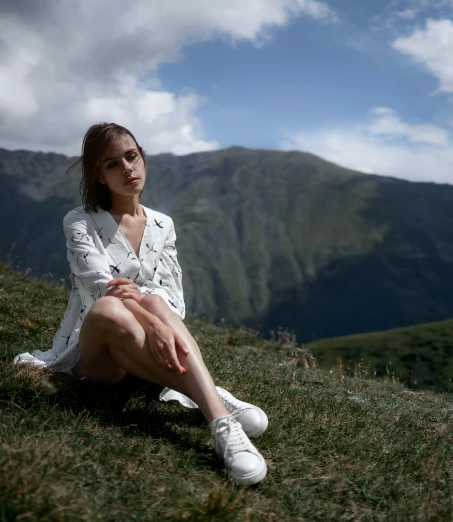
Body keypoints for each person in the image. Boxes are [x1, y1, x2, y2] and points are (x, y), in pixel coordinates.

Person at [13, 122, 268, 485]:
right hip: (99, 352)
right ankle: (210, 398)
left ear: (143, 158)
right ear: (99, 176)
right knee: (110, 307)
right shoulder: (80, 222)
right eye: (112, 164)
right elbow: (101, 285)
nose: (127, 168)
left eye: (131, 157)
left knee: (157, 303)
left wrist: (152, 311)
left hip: (143, 343)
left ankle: (219, 421)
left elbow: (172, 296)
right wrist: (154, 321)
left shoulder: (163, 225)